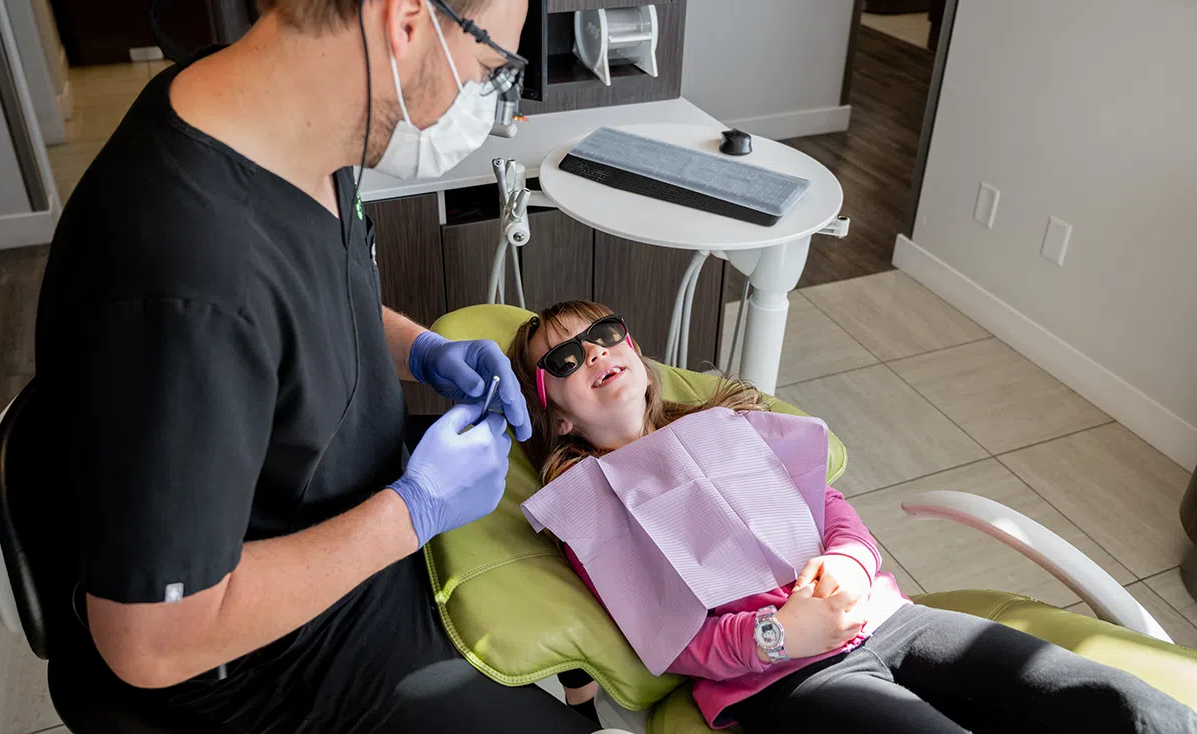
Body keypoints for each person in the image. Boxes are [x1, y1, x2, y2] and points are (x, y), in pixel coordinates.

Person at [23, 0, 603, 732]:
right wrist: (412, 513)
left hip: (348, 515)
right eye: (489, 63)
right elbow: (148, 642)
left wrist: (418, 349)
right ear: (406, 21)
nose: (483, 94)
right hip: (260, 662)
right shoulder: (180, 280)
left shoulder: (284, 122)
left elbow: (318, 288)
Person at [506, 300, 1197, 734]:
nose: (594, 351)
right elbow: (671, 640)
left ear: (639, 356)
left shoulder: (731, 425)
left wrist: (850, 562)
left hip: (890, 620)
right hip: (786, 678)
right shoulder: (590, 509)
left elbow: (832, 509)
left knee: (1118, 703)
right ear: (557, 413)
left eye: (605, 333)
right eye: (565, 357)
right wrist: (780, 634)